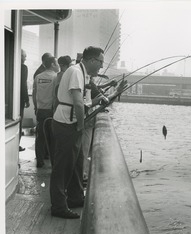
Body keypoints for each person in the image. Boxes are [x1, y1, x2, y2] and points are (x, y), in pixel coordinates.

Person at [50, 46, 127, 219]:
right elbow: (78, 104)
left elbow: (86, 103)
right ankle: (58, 206)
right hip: (67, 125)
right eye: (100, 62)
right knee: (62, 168)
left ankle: (76, 198)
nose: (101, 66)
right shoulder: (76, 72)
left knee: (77, 164)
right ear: (92, 60)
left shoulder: (83, 74)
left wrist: (106, 96)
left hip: (72, 124)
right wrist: (80, 127)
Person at [32, 56, 60, 168]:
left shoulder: (38, 77)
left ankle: (39, 160)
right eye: (57, 63)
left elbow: (34, 94)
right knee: (52, 137)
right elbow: (55, 96)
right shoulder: (55, 77)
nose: (58, 65)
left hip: (40, 110)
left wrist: (36, 107)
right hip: (51, 111)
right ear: (52, 64)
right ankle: (53, 162)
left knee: (40, 136)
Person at [19, 49, 30, 152]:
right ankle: (17, 145)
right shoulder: (23, 67)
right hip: (19, 99)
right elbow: (24, 84)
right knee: (19, 120)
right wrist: (26, 99)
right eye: (24, 56)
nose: (25, 58)